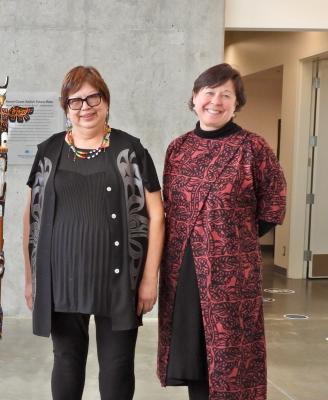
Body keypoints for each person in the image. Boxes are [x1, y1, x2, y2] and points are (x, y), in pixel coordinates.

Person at [23, 66, 165, 400]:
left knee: (116, 368)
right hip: (61, 278)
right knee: (67, 362)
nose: (85, 107)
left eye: (93, 97)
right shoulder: (48, 151)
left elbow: (157, 217)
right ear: (65, 108)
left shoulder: (131, 151)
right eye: (75, 101)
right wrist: (32, 279)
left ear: (106, 100)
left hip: (119, 280)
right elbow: (32, 217)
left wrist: (149, 279)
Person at [157, 63, 287, 400]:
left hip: (231, 269)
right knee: (194, 351)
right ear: (195, 97)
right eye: (209, 93)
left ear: (236, 102)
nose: (216, 101)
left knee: (231, 353)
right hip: (183, 266)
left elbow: (274, 202)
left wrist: (233, 238)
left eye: (226, 95)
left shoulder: (253, 147)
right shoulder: (178, 148)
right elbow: (169, 204)